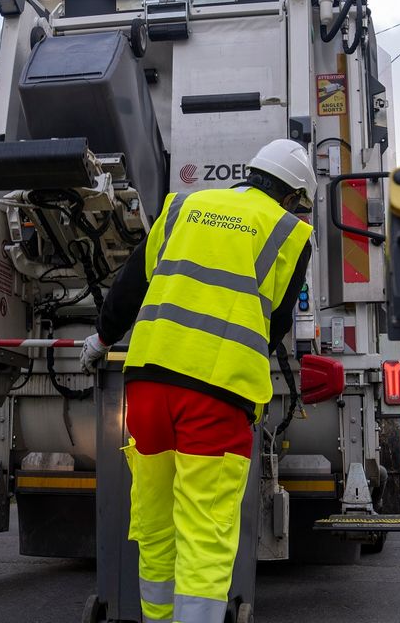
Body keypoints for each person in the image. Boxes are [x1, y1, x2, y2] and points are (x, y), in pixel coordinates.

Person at [80, 138, 315, 623]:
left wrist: (100, 341)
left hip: (146, 388)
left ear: (252, 174)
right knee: (204, 535)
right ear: (293, 196)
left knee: (156, 527)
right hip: (217, 398)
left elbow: (131, 285)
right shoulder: (291, 232)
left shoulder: (184, 205)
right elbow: (278, 323)